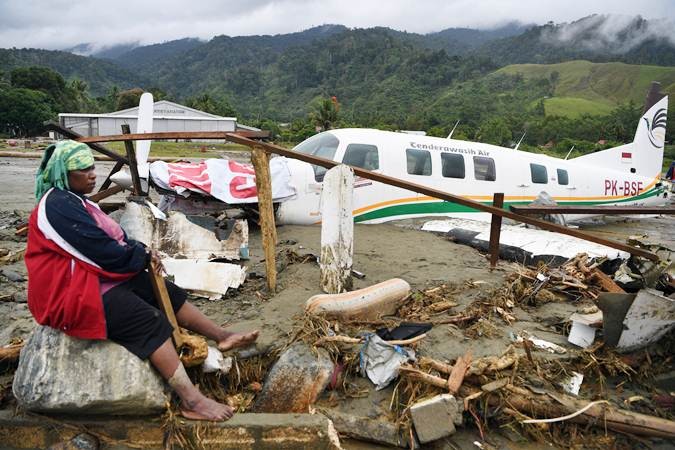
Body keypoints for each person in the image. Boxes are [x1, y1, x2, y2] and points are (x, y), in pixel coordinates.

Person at [25, 140, 259, 420]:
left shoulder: (77, 201)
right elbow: (101, 251)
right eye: (83, 170)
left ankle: (223, 336)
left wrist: (144, 253)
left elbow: (118, 240)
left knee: (163, 290)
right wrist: (139, 254)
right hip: (69, 293)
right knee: (148, 320)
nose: (92, 174)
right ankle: (192, 401)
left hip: (90, 279)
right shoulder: (56, 205)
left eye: (91, 167)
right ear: (64, 173)